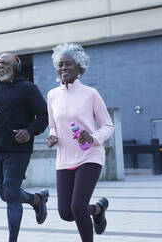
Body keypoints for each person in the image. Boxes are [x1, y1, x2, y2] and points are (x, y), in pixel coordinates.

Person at [0, 53, 49, 242]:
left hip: (19, 149)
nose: (0, 66)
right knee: (6, 195)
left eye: (5, 64)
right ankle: (36, 200)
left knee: (10, 190)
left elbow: (43, 116)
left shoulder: (27, 88)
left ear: (16, 68)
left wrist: (29, 131)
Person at [46, 43, 114, 242]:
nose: (63, 68)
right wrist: (52, 136)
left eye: (68, 64)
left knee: (77, 207)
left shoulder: (90, 93)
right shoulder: (52, 95)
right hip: (64, 158)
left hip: (89, 156)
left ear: (79, 67)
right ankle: (98, 210)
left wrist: (93, 137)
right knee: (66, 213)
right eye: (60, 65)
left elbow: (108, 125)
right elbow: (53, 125)